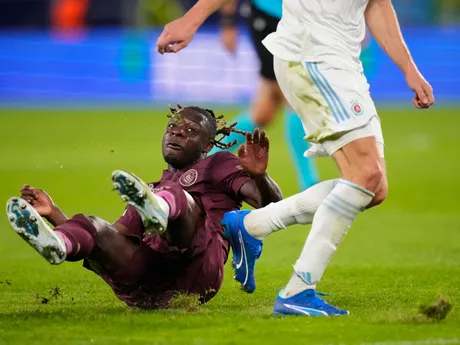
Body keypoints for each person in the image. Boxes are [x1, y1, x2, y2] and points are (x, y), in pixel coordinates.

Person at [156, 0, 435, 316]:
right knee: (364, 174)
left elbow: (376, 2)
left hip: (342, 60)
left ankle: (251, 224)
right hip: (313, 56)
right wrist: (194, 20)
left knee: (373, 187)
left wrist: (408, 68)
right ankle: (298, 290)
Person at [6, 105, 282, 310]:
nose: (177, 132)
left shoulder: (217, 163)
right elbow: (110, 241)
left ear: (207, 145)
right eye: (173, 127)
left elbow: (272, 206)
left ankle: (164, 212)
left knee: (174, 194)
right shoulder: (146, 191)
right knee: (95, 226)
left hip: (198, 271)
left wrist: (259, 175)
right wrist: (55, 213)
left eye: (191, 131)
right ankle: (58, 245)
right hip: (147, 286)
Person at [214, 0, 319, 191]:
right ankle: (309, 181)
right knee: (293, 95)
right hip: (270, 16)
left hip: (298, 18)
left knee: (264, 111)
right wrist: (228, 22)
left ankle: (206, 159)